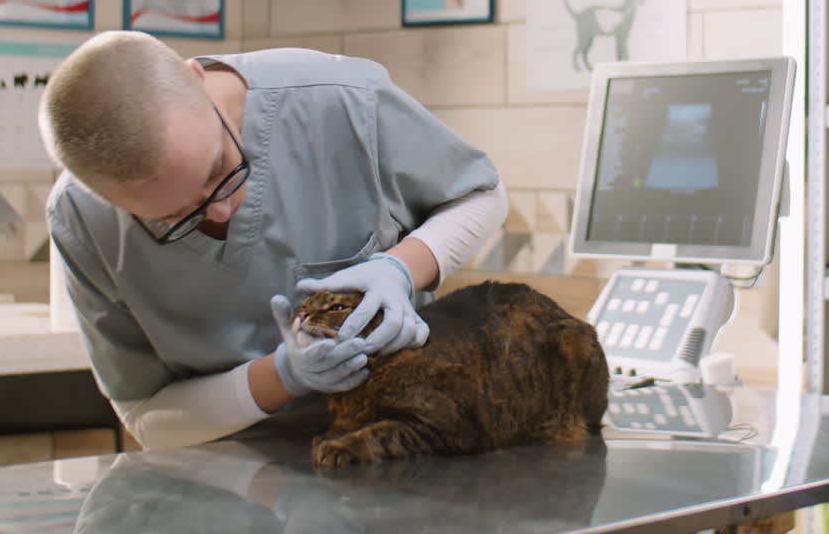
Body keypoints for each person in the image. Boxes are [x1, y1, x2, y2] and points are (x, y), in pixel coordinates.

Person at [39, 31, 507, 449]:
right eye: (175, 217)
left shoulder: (338, 101)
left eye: (220, 168)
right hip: (228, 474)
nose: (222, 209)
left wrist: (402, 267)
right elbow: (146, 418)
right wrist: (284, 375)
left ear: (197, 79)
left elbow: (483, 195)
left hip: (403, 440)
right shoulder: (82, 219)